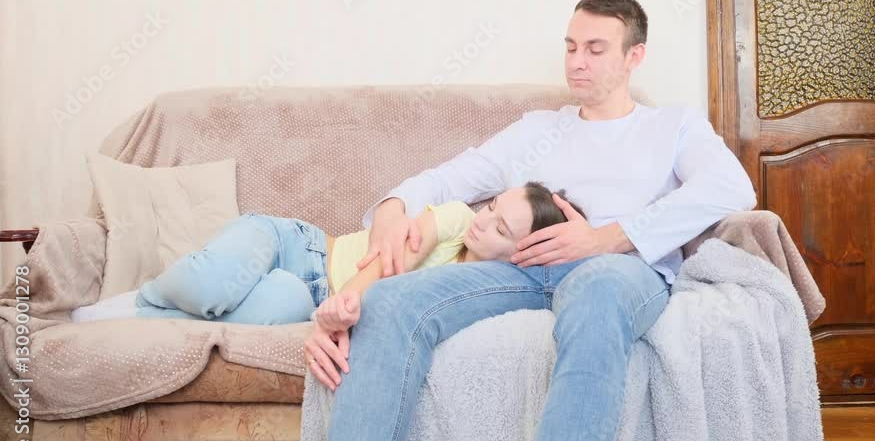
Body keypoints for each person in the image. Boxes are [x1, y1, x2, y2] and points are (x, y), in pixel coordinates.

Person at [309, 0, 757, 441]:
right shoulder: (540, 130)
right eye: (570, 47)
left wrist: (605, 238)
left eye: (594, 49)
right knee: (387, 304)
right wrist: (392, 205)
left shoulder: (672, 126)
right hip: (521, 271)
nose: (576, 62)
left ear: (634, 56)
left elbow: (731, 187)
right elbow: (453, 176)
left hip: (616, 269)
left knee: (596, 293)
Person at [127, 182, 583, 334]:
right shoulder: (457, 218)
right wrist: (344, 305)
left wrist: (327, 310)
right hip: (296, 247)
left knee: (275, 299)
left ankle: (143, 315)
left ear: (524, 255)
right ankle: (139, 300)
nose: (484, 221)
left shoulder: (482, 300)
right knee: (212, 286)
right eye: (493, 207)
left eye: (501, 228)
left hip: (303, 297)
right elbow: (389, 261)